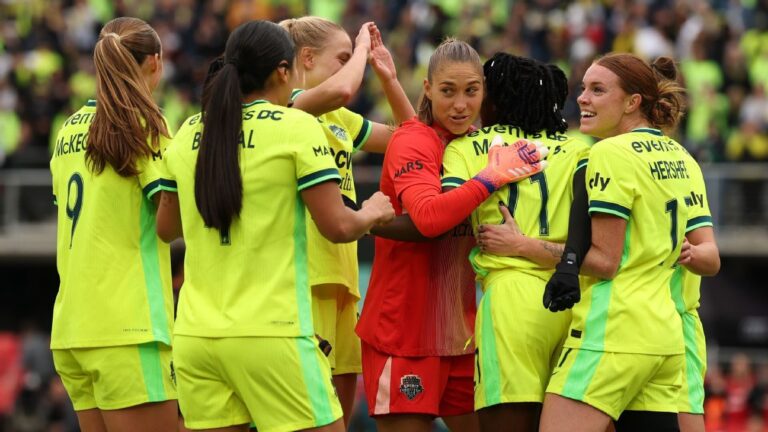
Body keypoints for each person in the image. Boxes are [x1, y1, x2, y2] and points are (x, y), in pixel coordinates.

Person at [155, 20, 394, 432]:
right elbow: (338, 226)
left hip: (196, 338)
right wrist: (373, 209)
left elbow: (166, 228)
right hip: (273, 333)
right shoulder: (295, 127)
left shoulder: (191, 130)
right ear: (284, 71)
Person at [356, 38, 546, 432]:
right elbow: (428, 219)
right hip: (403, 335)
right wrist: (492, 177)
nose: (460, 104)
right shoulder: (414, 142)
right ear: (427, 89)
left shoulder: (474, 144)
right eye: (447, 91)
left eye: (471, 91)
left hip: (461, 335)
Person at [538, 53, 719, 432]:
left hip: (613, 333)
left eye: (598, 90)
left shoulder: (608, 152)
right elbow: (710, 257)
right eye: (584, 88)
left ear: (632, 102)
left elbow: (605, 260)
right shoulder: (684, 158)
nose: (583, 98)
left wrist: (525, 247)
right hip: (667, 338)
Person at [441, 53, 591, 432]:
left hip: (511, 304)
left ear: (496, 99)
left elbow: (445, 211)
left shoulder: (468, 147)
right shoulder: (580, 150)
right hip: (577, 300)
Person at [279, 17, 414, 427]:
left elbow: (408, 137)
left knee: (340, 410)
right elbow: (341, 87)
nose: (350, 66)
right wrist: (360, 50)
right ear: (306, 58)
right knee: (310, 417)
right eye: (341, 58)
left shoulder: (340, 119)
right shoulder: (287, 107)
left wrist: (388, 78)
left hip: (344, 278)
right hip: (304, 280)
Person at [49, 17, 178, 432]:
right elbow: (169, 220)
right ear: (154, 63)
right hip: (129, 327)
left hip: (72, 328)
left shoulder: (67, 130)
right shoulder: (145, 124)